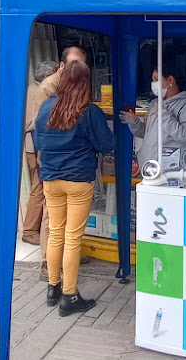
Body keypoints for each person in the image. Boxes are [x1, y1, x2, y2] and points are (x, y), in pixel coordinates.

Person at [34, 60, 115, 316]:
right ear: (85, 83)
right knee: (72, 238)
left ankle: (53, 288)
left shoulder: (46, 107)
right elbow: (106, 144)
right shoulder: (89, 111)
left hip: (50, 179)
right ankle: (70, 296)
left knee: (56, 233)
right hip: (78, 180)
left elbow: (38, 140)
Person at [26, 46, 89, 280]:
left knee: (63, 219)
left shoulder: (72, 84)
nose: (78, 69)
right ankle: (47, 263)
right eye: (74, 65)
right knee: (50, 216)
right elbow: (39, 126)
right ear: (62, 66)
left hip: (61, 161)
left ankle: (65, 257)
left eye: (82, 65)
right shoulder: (49, 87)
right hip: (50, 159)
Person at [119, 60, 186, 169]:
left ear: (170, 80)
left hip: (170, 169)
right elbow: (145, 133)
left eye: (157, 79)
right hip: (150, 168)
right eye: (153, 80)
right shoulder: (155, 103)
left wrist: (163, 115)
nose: (154, 84)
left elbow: (185, 137)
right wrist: (134, 122)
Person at [22, 60, 58, 246]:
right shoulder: (40, 92)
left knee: (40, 188)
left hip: (33, 144)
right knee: (39, 189)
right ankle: (29, 231)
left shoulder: (31, 89)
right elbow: (35, 123)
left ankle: (32, 229)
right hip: (36, 146)